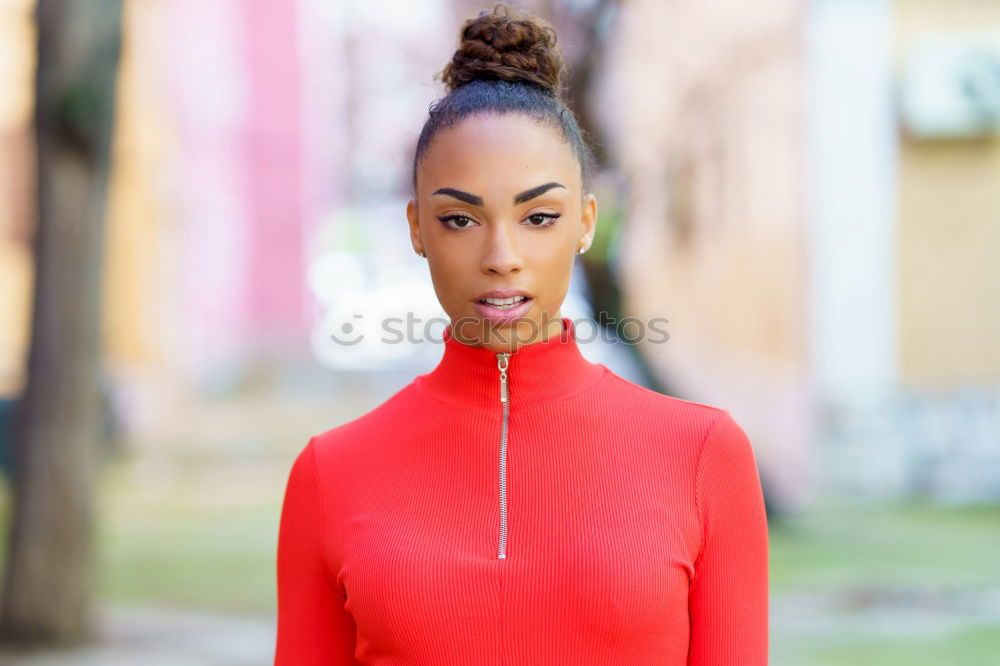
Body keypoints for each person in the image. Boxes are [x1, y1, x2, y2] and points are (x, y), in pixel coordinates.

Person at [273, 3, 768, 664]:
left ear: (585, 223)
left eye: (538, 216)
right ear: (416, 228)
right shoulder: (329, 475)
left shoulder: (705, 457)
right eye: (459, 220)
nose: (501, 254)